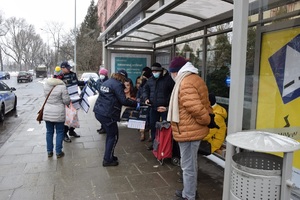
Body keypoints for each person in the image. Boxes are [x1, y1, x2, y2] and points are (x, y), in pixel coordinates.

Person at [167, 56, 217, 200]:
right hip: (191, 129)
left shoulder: (185, 82)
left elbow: (195, 108)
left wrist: (207, 120)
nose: (172, 75)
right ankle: (189, 191)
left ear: (177, 71)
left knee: (188, 166)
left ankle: (189, 195)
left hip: (189, 131)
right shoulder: (194, 78)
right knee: (190, 164)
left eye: (172, 72)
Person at [93, 69, 137, 167]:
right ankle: (107, 160)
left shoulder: (108, 82)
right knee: (113, 136)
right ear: (122, 77)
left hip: (99, 111)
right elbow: (123, 100)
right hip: (108, 114)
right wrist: (136, 103)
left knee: (111, 135)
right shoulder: (117, 85)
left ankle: (109, 156)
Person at [143, 62, 174, 150]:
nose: (154, 73)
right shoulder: (150, 80)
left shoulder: (168, 79)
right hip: (153, 107)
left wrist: (168, 105)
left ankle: (166, 145)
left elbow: (173, 92)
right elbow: (145, 89)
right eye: (153, 71)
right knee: (153, 125)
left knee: (166, 127)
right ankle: (154, 143)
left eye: (156, 71)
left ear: (161, 70)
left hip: (165, 108)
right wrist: (146, 98)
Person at [43, 66, 70, 158]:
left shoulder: (46, 84)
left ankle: (49, 151)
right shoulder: (62, 86)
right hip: (59, 113)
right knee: (59, 132)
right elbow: (66, 101)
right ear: (60, 76)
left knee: (49, 132)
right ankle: (58, 152)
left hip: (47, 112)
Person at [60, 61, 85, 142]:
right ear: (62, 68)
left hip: (74, 98)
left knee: (74, 115)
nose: (69, 69)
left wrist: (85, 82)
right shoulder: (59, 76)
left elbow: (77, 83)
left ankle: (71, 131)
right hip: (65, 99)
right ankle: (64, 134)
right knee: (68, 117)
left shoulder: (73, 74)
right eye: (67, 68)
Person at [95, 67, 109, 134]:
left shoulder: (107, 81)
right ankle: (102, 127)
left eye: (103, 74)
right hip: (100, 98)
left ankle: (104, 128)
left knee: (103, 114)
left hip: (105, 100)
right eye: (100, 74)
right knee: (99, 114)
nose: (101, 75)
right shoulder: (98, 81)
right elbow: (97, 88)